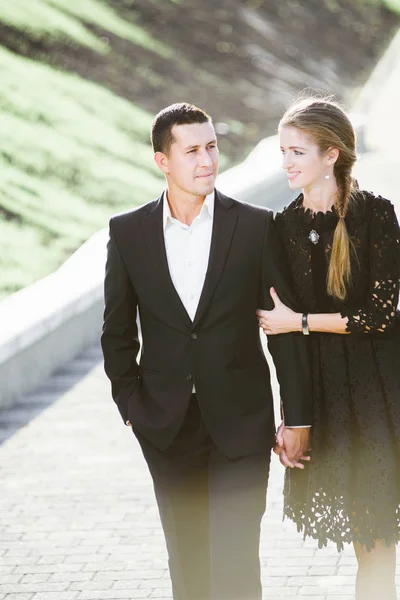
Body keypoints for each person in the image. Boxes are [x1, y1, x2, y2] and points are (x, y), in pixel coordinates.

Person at [100, 102, 312, 600]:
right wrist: (132, 407)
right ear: (162, 160)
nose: (207, 161)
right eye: (192, 150)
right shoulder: (128, 233)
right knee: (189, 567)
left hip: (241, 423)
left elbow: (280, 328)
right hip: (166, 426)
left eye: (212, 147)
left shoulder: (258, 226)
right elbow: (116, 331)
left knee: (237, 563)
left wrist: (297, 416)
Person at [257, 95, 400, 600]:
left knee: (380, 541)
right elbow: (277, 339)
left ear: (331, 155)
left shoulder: (376, 215)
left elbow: (380, 316)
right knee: (368, 541)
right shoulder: (280, 228)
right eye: (283, 152)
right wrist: (293, 417)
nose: (287, 163)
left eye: (297, 151)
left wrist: (298, 321)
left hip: (383, 394)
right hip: (328, 398)